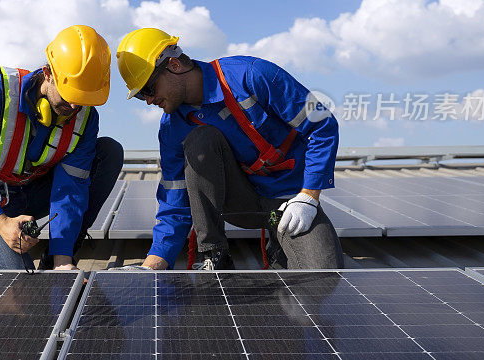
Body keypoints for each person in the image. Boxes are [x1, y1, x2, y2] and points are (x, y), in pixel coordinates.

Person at [116, 27, 343, 270]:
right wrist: (154, 264)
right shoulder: (173, 127)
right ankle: (214, 254)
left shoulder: (252, 75)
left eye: (149, 89)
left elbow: (322, 125)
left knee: (324, 273)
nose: (149, 101)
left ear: (174, 65)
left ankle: (279, 245)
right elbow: (175, 195)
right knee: (200, 140)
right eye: (141, 96)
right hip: (238, 205)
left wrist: (309, 197)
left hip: (287, 206)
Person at [0, 25, 123, 270]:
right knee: (17, 281)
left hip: (31, 192)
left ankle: (58, 254)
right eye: (69, 93)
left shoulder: (85, 117)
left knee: (108, 153)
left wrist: (62, 261)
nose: (74, 107)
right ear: (48, 73)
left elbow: (71, 188)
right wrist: (1, 222)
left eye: (83, 98)